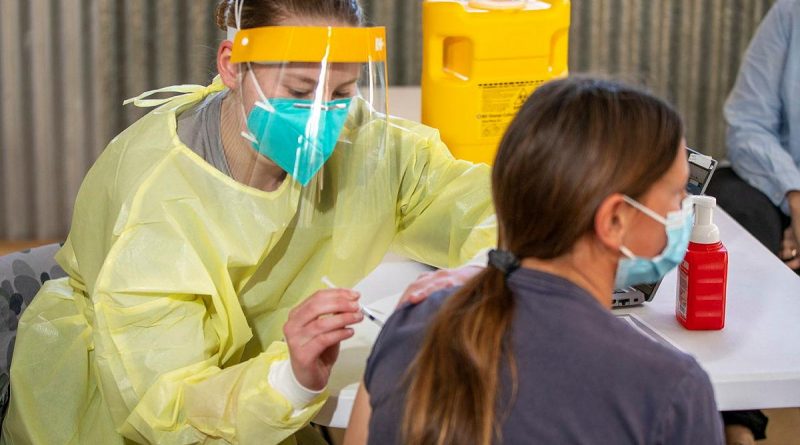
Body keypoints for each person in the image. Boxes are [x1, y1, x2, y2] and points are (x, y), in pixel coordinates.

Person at [1, 1, 495, 443]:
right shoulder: (160, 203)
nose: (323, 116)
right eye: (300, 91)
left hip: (264, 401)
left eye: (342, 92)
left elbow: (482, 201)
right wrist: (288, 380)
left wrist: (487, 264)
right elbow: (164, 407)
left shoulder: (359, 141)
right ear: (232, 66)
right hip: (125, 413)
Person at [344, 78, 725, 445]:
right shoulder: (670, 390)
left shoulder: (408, 324)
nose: (683, 213)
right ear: (613, 220)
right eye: (677, 196)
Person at [703, 1, 800, 442]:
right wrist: (795, 197)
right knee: (727, 210)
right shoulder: (790, 14)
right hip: (782, 188)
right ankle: (736, 419)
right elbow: (748, 125)